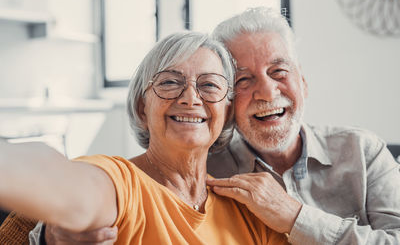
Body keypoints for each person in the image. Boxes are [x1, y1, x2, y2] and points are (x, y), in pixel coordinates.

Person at [35, 7, 400, 244]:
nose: (266, 91)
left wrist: (295, 217)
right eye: (243, 80)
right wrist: (54, 232)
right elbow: (103, 190)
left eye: (279, 72)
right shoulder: (202, 164)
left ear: (302, 82)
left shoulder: (363, 151)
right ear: (226, 105)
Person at [0, 32, 289, 244]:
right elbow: (69, 186)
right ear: (142, 108)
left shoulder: (249, 212)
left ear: (226, 113)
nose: (190, 98)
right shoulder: (123, 183)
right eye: (169, 82)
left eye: (209, 85)